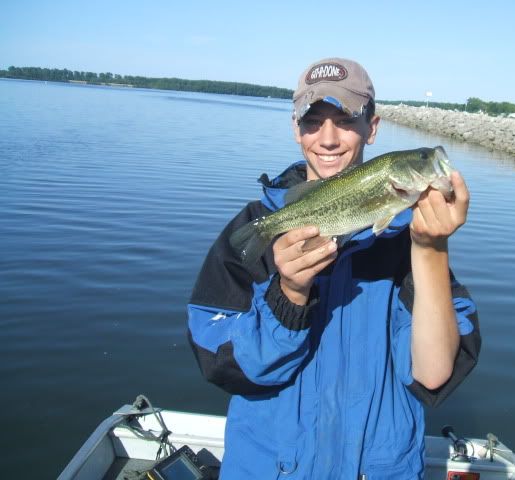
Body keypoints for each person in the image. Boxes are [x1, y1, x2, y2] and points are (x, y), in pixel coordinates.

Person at [187, 58, 480, 479]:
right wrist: (288, 295)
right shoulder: (253, 229)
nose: (327, 139)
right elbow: (222, 362)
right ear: (295, 128)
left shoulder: (407, 236)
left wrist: (430, 247)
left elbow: (432, 376)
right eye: (312, 121)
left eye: (344, 120)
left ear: (372, 128)